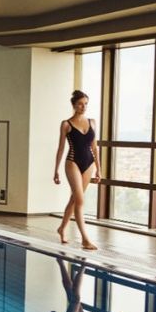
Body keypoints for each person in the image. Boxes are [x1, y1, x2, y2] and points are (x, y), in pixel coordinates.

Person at [54, 90, 100, 250]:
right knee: (80, 200)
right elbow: (60, 148)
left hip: (89, 164)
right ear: (74, 105)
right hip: (72, 162)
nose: (83, 107)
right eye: (80, 104)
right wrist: (56, 170)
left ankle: (61, 228)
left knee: (75, 199)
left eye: (86, 103)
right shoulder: (66, 124)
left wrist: (99, 170)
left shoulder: (92, 122)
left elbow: (95, 147)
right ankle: (85, 239)